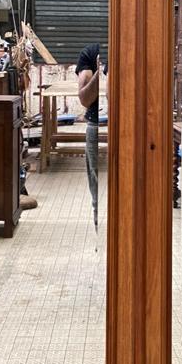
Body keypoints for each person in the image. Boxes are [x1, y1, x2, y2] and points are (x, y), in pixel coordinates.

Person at [76, 43, 105, 228]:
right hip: (96, 123)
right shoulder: (90, 53)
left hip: (128, 125)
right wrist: (99, 73)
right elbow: (85, 99)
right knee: (95, 176)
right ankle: (97, 218)